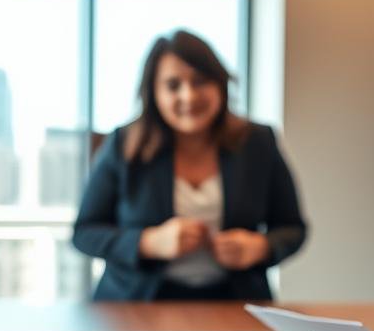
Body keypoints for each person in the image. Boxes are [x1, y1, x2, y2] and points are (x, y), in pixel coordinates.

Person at [73, 30, 306, 300]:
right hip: (136, 307)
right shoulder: (124, 144)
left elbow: (293, 228)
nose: (189, 96)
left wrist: (261, 247)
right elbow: (84, 232)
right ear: (154, 93)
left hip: (235, 304)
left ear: (220, 84)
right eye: (173, 85)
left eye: (200, 81)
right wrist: (148, 243)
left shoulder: (258, 142)